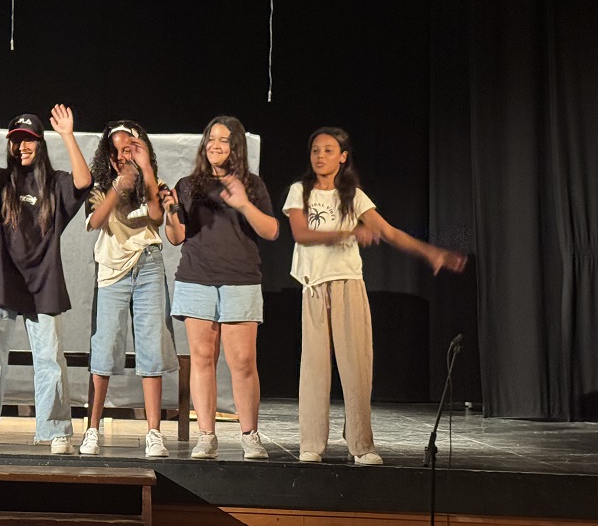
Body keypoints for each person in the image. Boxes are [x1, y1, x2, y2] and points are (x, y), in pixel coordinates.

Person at [282, 127, 467, 465]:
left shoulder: (354, 196)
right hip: (314, 286)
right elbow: (301, 233)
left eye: (328, 150)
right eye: (315, 150)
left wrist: (430, 253)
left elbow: (387, 231)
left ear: (343, 156)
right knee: (314, 369)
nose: (320, 156)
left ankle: (361, 443)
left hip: (348, 283)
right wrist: (348, 232)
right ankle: (311, 443)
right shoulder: (300, 191)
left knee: (356, 366)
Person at [0, 88, 92, 455]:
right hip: (0, 283)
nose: (22, 146)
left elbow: (83, 182)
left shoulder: (55, 184)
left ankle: (56, 432)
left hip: (43, 285)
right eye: (16, 140)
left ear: (40, 144)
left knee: (50, 360)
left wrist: (67, 135)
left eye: (29, 140)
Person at [163, 116, 278, 460]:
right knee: (202, 358)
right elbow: (176, 237)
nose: (215, 145)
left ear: (236, 146)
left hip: (240, 280)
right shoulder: (188, 185)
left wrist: (243, 203)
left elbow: (271, 231)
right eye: (211, 139)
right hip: (196, 278)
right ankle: (206, 436)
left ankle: (249, 435)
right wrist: (170, 211)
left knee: (242, 361)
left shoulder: (251, 185)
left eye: (224, 140)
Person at [80, 121, 179, 458]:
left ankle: (154, 432)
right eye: (117, 151)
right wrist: (118, 188)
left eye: (130, 149)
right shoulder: (99, 187)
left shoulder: (154, 183)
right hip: (112, 271)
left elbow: (156, 217)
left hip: (148, 265)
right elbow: (94, 222)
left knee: (151, 346)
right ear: (108, 156)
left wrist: (146, 169)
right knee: (104, 347)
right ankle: (92, 428)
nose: (123, 156)